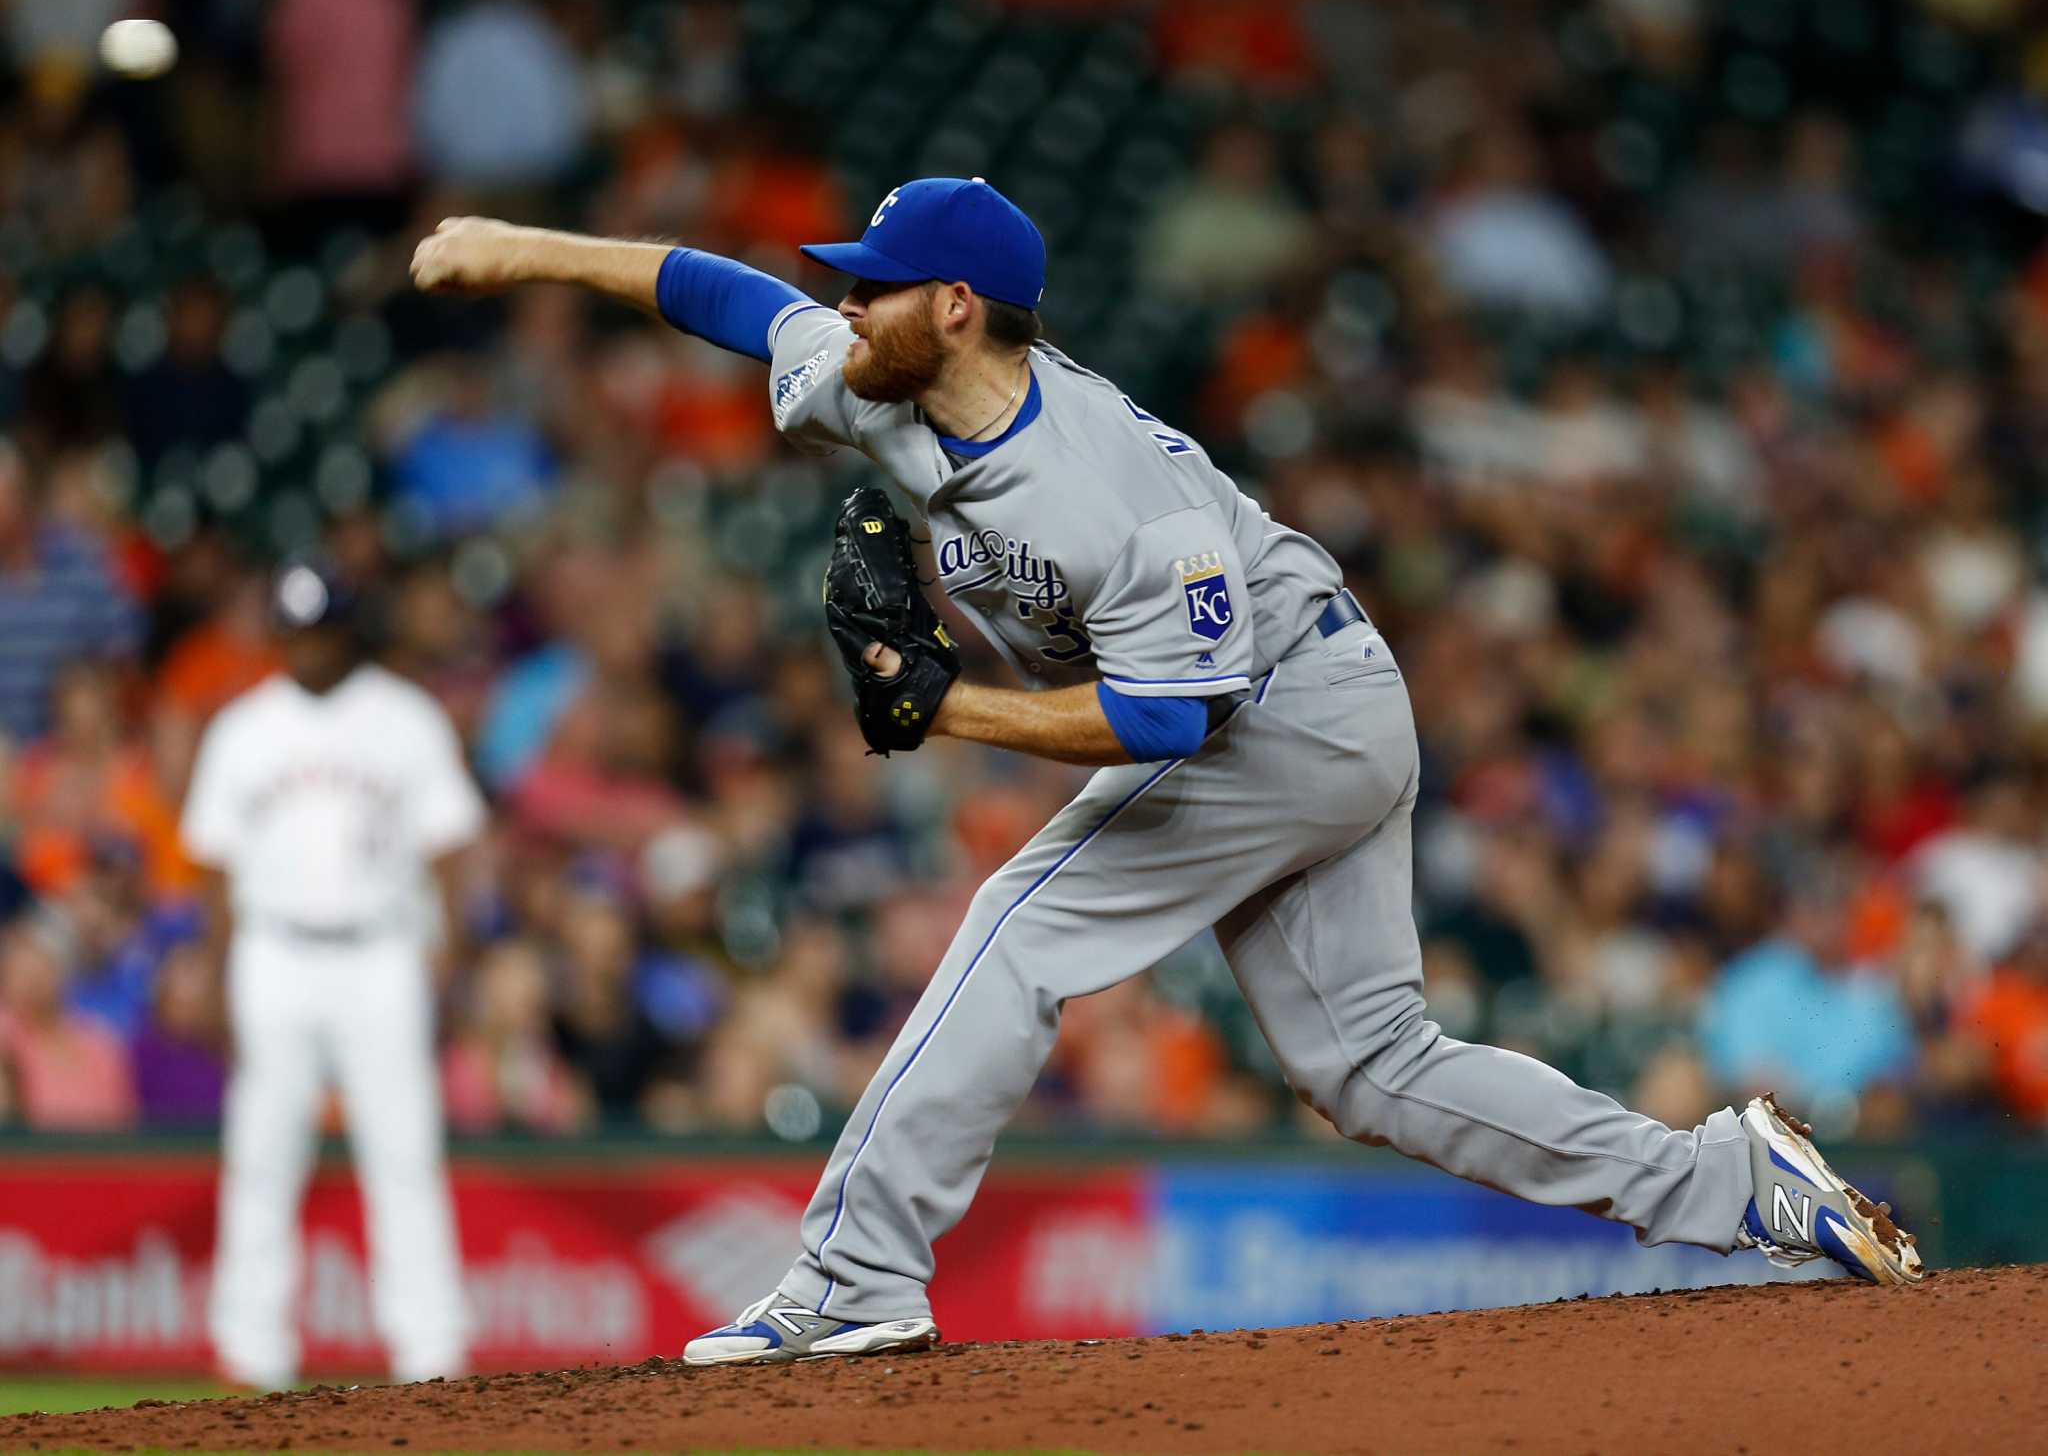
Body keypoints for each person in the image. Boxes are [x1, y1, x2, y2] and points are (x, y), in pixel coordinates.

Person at [410, 176, 1924, 1367]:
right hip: (1302, 697)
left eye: (869, 281)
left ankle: (849, 1283)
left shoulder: (1103, 492)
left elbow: (1165, 725)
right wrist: (516, 246)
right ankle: (1734, 1187)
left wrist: (947, 714)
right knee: (1370, 1065)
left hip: (1288, 708)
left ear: (952, 305)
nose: (842, 299)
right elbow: (726, 295)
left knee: (1022, 923)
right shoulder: (880, 375)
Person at [178, 560, 484, 1389]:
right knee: (262, 1154)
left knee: (404, 1154)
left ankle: (431, 1354)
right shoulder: (244, 727)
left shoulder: (403, 717)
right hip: (272, 953)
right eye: (295, 631)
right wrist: (212, 972)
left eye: (320, 629)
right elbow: (211, 863)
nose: (307, 646)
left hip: (382, 952)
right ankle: (251, 1353)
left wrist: (449, 960)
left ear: (347, 629)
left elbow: (452, 848)